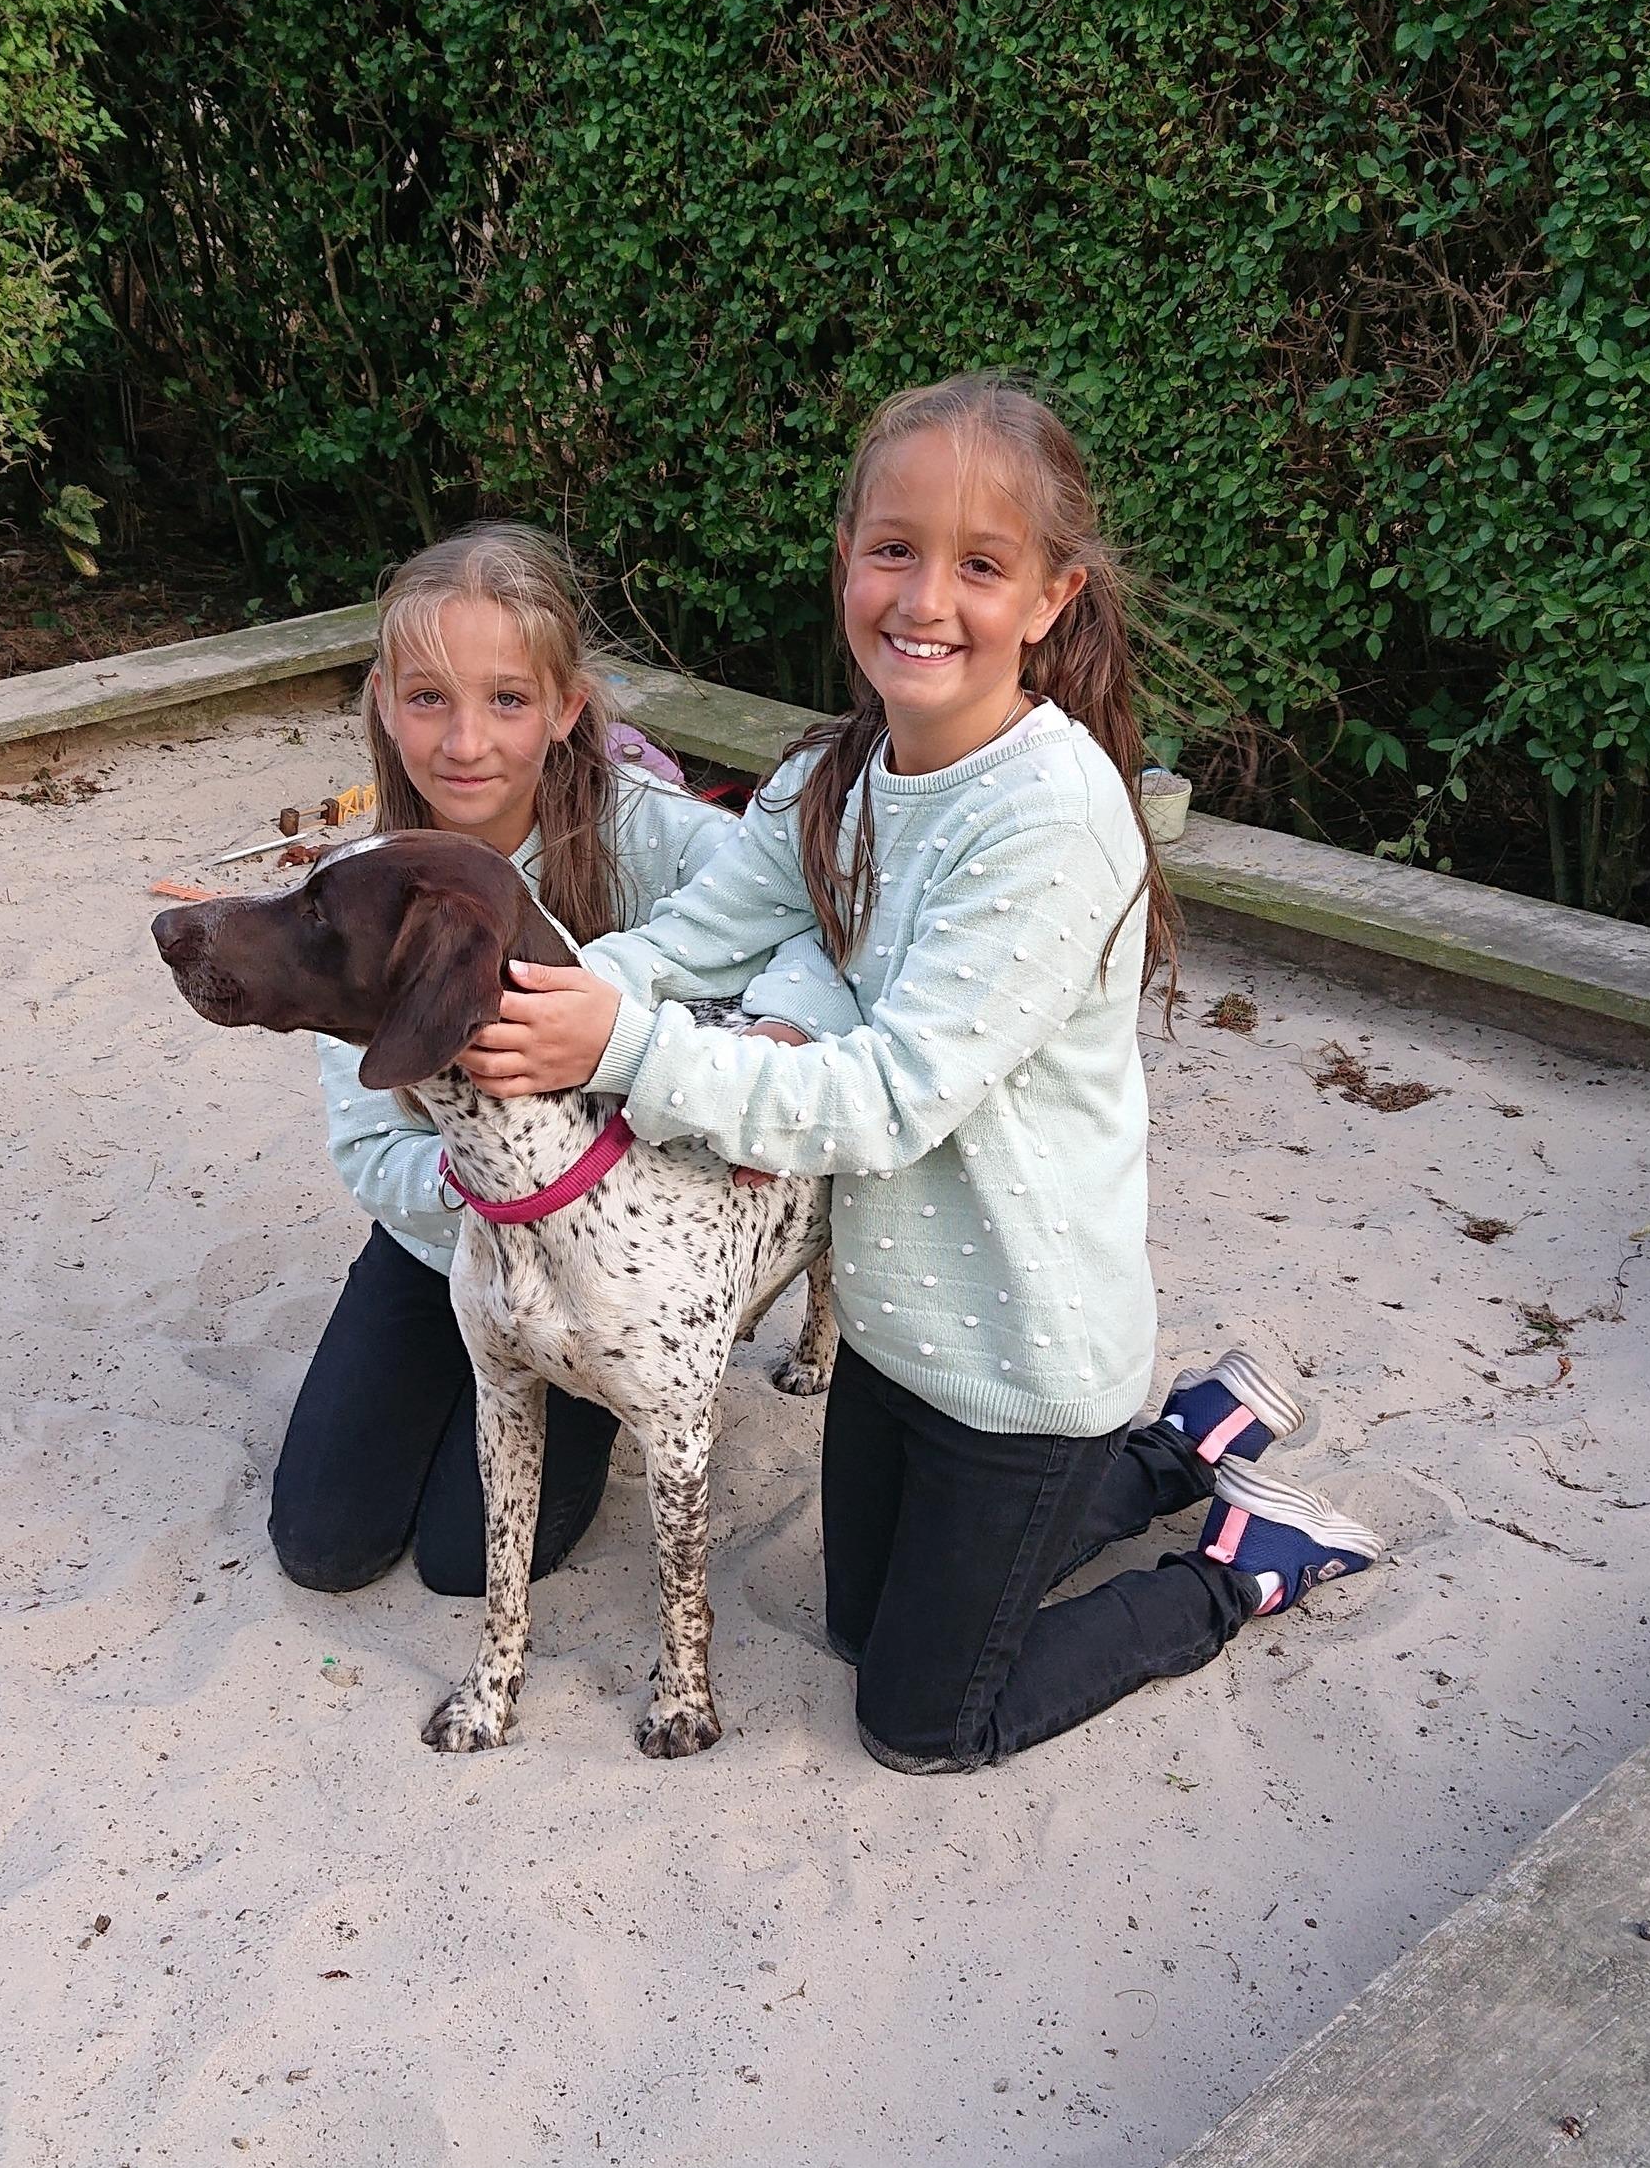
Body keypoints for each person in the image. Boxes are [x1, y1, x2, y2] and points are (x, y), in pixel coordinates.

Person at [461, 374, 1380, 1774]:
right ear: (848, 560)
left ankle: (1239, 1564)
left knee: (922, 1718)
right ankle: (1183, 1447)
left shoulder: (1053, 819)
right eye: (894, 549)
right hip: (898, 1335)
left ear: (1053, 597)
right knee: (854, 1630)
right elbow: (691, 938)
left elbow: (889, 1099)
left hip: (1022, 1352)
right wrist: (551, 996)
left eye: (981, 565)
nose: (926, 599)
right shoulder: (833, 778)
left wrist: (625, 1048)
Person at [268, 521, 800, 1598]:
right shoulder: (367, 885)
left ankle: (580, 1396)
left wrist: (782, 1023)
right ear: (383, 702)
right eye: (429, 698)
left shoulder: (654, 834)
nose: (466, 741)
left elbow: (804, 916)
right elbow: (371, 1153)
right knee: (324, 1543)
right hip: (446, 1245)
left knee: (465, 1561)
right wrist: (496, 1185)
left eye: (507, 700)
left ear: (564, 708)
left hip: (611, 1265)